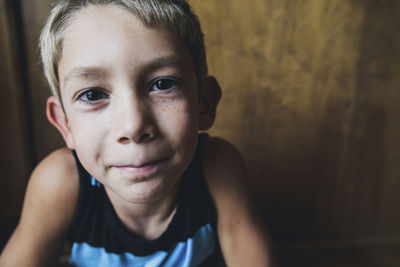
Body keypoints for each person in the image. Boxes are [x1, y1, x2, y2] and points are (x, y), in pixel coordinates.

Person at [0, 0, 271, 266]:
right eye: (93, 94)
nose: (133, 127)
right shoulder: (60, 182)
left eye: (163, 84)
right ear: (65, 124)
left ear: (205, 104)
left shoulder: (218, 167)